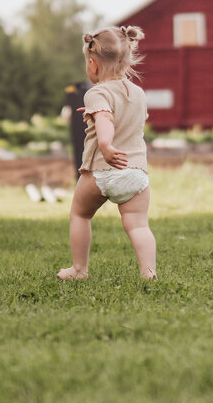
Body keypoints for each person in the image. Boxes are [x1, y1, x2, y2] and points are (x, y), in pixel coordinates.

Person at [56, 25, 156, 281]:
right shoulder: (139, 93)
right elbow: (123, 118)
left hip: (101, 170)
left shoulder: (96, 92)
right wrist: (95, 116)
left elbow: (106, 120)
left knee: (80, 213)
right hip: (134, 173)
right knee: (138, 225)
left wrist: (106, 145)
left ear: (93, 64)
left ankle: (79, 270)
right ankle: (149, 273)